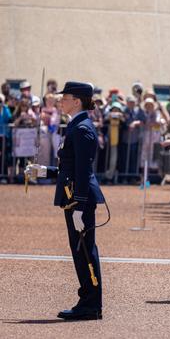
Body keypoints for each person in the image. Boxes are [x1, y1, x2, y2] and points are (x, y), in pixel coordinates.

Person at [26, 81, 105, 320]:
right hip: (73, 197)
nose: (60, 101)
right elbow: (67, 167)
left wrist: (80, 206)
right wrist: (43, 171)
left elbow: (82, 171)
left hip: (78, 199)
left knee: (85, 250)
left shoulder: (81, 128)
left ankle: (91, 303)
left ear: (77, 101)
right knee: (79, 250)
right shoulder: (75, 126)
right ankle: (87, 299)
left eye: (65, 97)